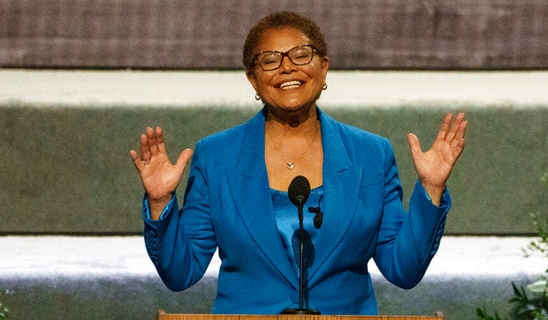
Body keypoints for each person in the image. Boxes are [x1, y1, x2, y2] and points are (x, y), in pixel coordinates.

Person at [130, 11, 467, 315]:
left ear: (323, 67)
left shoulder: (370, 155)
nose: (288, 67)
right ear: (253, 79)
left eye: (301, 55)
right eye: (271, 60)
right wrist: (160, 203)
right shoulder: (217, 157)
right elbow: (180, 272)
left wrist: (431, 189)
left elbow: (403, 269)